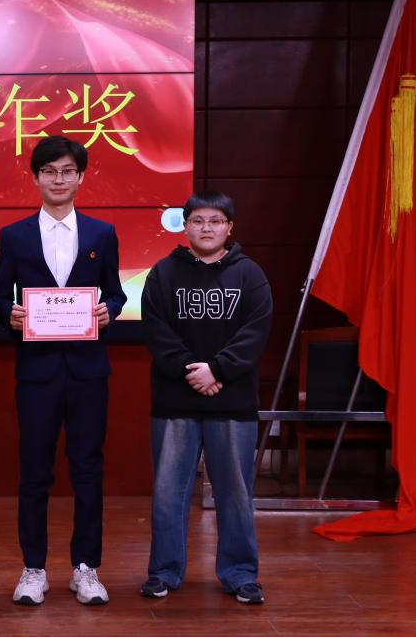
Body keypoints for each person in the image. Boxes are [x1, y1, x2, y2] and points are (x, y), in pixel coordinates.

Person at [0, 134, 127, 607]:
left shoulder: (102, 233)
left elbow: (116, 293)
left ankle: (86, 568)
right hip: (37, 371)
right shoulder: (15, 235)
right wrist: (9, 314)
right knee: (34, 472)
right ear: (36, 178)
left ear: (81, 177)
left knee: (88, 469)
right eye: (50, 171)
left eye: (68, 171)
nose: (59, 179)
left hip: (88, 371)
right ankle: (34, 568)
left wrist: (109, 310)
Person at [138, 190, 272, 606]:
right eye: (198, 221)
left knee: (235, 493)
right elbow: (156, 331)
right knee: (168, 493)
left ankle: (240, 574)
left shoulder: (250, 275)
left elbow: (255, 332)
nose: (206, 228)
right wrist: (192, 371)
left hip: (232, 402)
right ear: (186, 226)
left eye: (215, 221)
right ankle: (163, 572)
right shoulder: (163, 273)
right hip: (175, 401)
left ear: (229, 227)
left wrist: (218, 370)